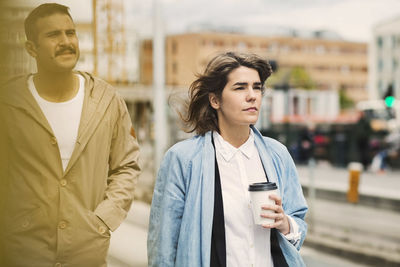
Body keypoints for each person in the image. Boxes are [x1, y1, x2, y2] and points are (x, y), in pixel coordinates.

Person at [0, 3, 140, 266]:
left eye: (70, 33)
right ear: (32, 48)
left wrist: (103, 220)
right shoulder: (8, 103)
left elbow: (127, 166)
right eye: (53, 35)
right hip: (22, 253)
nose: (65, 42)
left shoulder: (106, 100)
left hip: (86, 254)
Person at [148, 52, 308, 266]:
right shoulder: (183, 160)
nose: (252, 95)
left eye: (257, 87)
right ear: (215, 100)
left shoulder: (277, 154)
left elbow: (298, 223)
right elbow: (163, 248)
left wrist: (284, 223)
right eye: (240, 87)